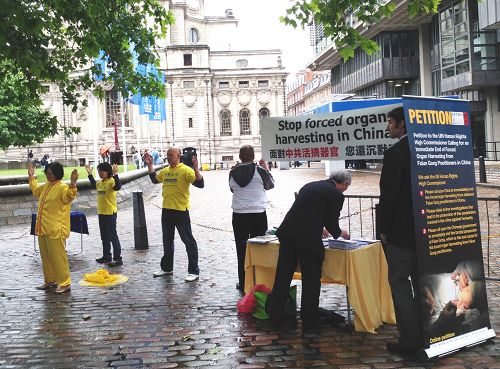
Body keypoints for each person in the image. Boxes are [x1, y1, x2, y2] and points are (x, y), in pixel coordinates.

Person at [268, 170, 351, 328]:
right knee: (311, 278)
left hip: (288, 233)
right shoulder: (336, 194)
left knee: (283, 275)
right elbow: (331, 220)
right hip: (307, 239)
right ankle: (309, 317)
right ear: (344, 184)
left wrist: (320, 227)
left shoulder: (310, 186)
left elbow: (308, 211)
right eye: (347, 186)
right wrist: (340, 233)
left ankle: (275, 314)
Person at [378, 106, 423, 356]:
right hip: (429, 230)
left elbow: (390, 196)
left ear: (402, 125)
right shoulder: (428, 148)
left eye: (390, 123)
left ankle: (410, 339)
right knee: (421, 281)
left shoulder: (396, 153)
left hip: (402, 233)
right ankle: (429, 332)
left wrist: (384, 228)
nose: (388, 127)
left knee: (399, 281)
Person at [145, 147, 204, 282]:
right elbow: (154, 179)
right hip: (166, 211)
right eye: (167, 155)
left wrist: (196, 168)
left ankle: (193, 271)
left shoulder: (186, 170)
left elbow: (200, 184)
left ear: (178, 156)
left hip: (181, 211)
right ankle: (167, 268)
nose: (169, 157)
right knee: (167, 241)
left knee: (188, 241)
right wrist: (150, 165)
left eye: (171, 154)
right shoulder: (165, 171)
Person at [229, 145, 275, 292]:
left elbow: (231, 188)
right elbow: (270, 186)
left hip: (239, 214)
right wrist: (265, 167)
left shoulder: (232, 172)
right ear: (253, 156)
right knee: (259, 249)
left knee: (241, 250)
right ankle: (258, 281)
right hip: (258, 213)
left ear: (240, 156)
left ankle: (243, 282)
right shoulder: (260, 171)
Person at [28, 162, 78, 294]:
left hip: (56, 228)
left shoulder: (62, 187)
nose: (47, 176)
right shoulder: (46, 186)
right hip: (43, 227)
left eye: (49, 173)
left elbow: (69, 197)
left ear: (56, 173)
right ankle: (50, 280)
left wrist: (73, 184)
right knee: (46, 257)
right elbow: (35, 191)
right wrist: (32, 177)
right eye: (46, 173)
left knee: (58, 257)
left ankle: (65, 282)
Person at [86, 162, 123, 267]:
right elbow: (94, 184)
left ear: (108, 171)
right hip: (101, 213)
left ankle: (118, 259)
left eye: (102, 171)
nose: (100, 173)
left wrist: (116, 174)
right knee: (104, 237)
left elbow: (118, 187)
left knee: (113, 236)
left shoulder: (112, 181)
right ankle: (106, 256)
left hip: (110, 213)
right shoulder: (100, 183)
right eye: (99, 171)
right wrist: (89, 174)